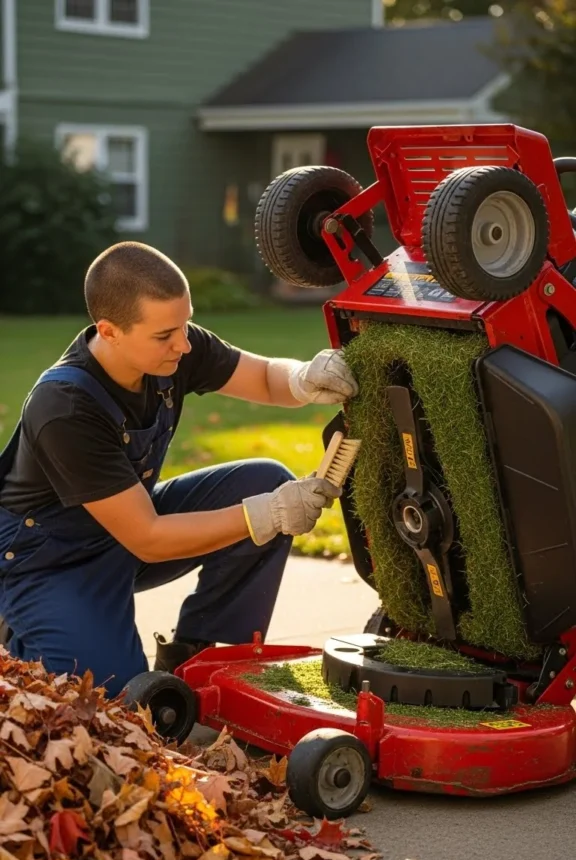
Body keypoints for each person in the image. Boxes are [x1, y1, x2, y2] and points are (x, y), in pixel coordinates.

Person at [0, 242, 359, 696]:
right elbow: (148, 538)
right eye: (165, 334)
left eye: (185, 324)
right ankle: (23, 632)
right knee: (106, 699)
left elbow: (266, 377)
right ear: (109, 332)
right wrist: (269, 514)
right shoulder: (65, 409)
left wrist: (304, 377)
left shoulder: (174, 347)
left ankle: (203, 657)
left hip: (127, 528)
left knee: (265, 480)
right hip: (50, 562)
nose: (184, 343)